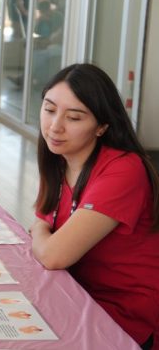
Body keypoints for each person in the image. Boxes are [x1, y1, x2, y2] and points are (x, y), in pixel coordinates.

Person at [30, 64, 159, 350]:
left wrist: (39, 231)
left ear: (102, 126)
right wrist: (41, 230)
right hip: (74, 296)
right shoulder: (60, 159)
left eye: (74, 117)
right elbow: (43, 223)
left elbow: (52, 254)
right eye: (49, 110)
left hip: (122, 316)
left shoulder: (124, 169)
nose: (55, 126)